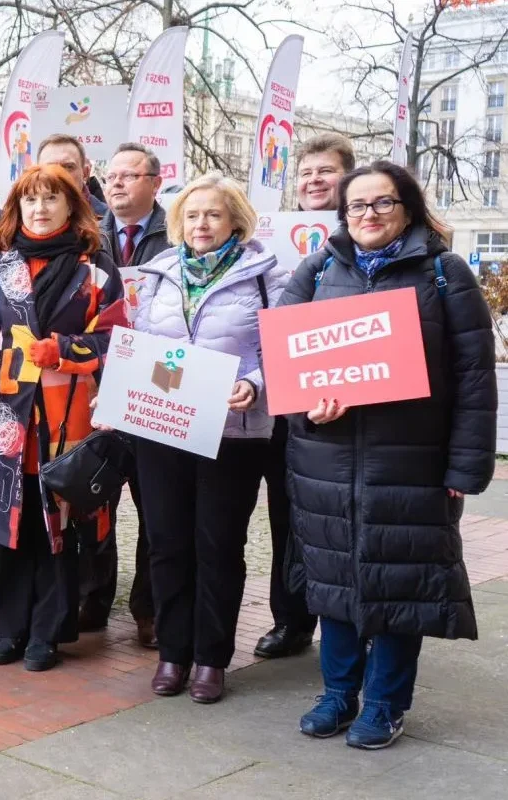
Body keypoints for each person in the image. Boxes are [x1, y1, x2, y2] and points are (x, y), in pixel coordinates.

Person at [285, 161, 494, 749]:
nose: (368, 216)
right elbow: (286, 362)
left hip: (412, 460)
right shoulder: (319, 267)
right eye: (356, 206)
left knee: (403, 583)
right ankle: (337, 692)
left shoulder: (444, 274)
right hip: (326, 460)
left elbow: (475, 378)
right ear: (342, 214)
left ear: (406, 208)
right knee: (335, 582)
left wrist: (464, 468)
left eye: (382, 204)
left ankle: (384, 702)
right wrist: (307, 410)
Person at [123, 172, 289, 703]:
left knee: (218, 546)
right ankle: (173, 652)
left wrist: (255, 384)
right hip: (161, 427)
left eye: (213, 214)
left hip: (232, 433)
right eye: (192, 215)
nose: (201, 224)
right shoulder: (158, 273)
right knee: (167, 543)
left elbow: (278, 351)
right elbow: (138, 345)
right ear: (178, 223)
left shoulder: (266, 276)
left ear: (236, 221)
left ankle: (211, 659)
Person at [0, 164, 126, 671]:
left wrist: (68, 349)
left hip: (67, 418)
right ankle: (10, 629)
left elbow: (119, 339)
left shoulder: (95, 267)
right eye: (30, 199)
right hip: (6, 416)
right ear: (16, 207)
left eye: (51, 199)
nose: (39, 208)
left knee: (57, 525)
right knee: (12, 524)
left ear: (72, 206)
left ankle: (49, 632)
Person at [254, 133, 357, 660]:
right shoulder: (272, 237)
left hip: (347, 408)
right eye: (306, 173)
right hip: (281, 406)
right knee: (286, 517)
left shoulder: (367, 235)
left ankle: (350, 623)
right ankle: (291, 620)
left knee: (337, 522)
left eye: (326, 172)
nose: (314, 181)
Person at [86, 142, 174, 647]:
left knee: (153, 503)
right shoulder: (87, 235)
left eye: (129, 175)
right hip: (94, 383)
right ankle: (93, 600)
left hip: (154, 384)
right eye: (111, 175)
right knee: (92, 497)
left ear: (155, 183)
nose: (116, 183)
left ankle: (149, 608)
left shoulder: (176, 234)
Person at [36, 134, 108, 217]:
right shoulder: (20, 220)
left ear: (85, 172)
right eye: (51, 168)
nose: (59, 174)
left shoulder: (112, 220)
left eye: (68, 167)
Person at [294, 133, 354, 213]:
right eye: (306, 173)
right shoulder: (277, 224)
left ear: (349, 178)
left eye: (325, 171)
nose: (313, 179)